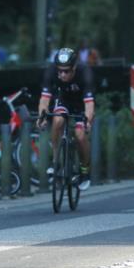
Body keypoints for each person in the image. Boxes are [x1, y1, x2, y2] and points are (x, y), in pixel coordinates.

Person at [37, 47, 96, 190]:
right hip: (63, 100)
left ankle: (84, 170)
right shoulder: (51, 71)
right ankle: (56, 161)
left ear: (74, 67)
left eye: (67, 71)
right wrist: (42, 117)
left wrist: (87, 121)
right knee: (57, 120)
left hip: (81, 104)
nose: (62, 74)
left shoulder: (85, 73)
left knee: (80, 135)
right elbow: (45, 100)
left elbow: (89, 104)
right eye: (60, 70)